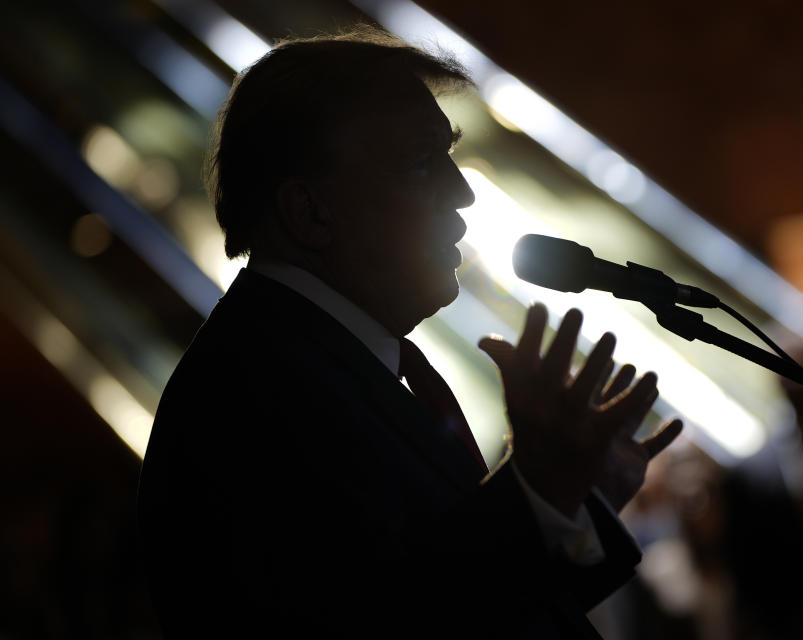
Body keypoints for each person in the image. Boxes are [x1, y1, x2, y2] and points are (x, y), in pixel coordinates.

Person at [137, 27, 681, 639]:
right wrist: (537, 496)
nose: (463, 190)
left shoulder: (312, 361)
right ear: (311, 212)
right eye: (423, 162)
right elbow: (389, 623)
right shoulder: (247, 393)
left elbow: (446, 585)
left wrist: (573, 499)